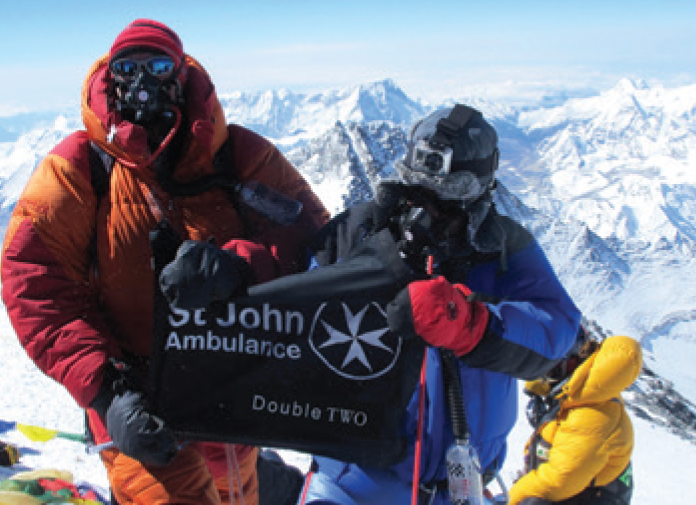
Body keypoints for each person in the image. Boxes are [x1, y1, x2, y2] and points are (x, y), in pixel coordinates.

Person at [1, 19, 328, 505]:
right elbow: (33, 279)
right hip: (133, 404)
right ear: (108, 79)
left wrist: (240, 267)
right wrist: (107, 391)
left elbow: (311, 236)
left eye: (156, 66)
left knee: (238, 496)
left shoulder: (236, 154)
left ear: (181, 76)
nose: (141, 82)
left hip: (226, 396)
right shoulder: (80, 166)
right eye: (126, 69)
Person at [293, 104, 582, 505]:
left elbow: (558, 329)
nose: (431, 205)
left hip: (459, 490)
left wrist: (472, 323)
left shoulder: (501, 246)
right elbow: (292, 309)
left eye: (449, 193)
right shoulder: (359, 230)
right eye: (420, 185)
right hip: (349, 484)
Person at [508, 331, 642, 505]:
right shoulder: (575, 398)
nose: (542, 369)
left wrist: (511, 499)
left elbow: (559, 481)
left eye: (549, 363)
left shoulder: (593, 414)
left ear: (570, 362)